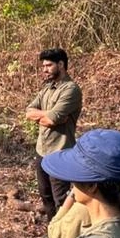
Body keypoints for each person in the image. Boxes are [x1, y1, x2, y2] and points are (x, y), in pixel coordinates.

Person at [25, 47, 83, 222]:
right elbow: (29, 112)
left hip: (60, 153)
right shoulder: (47, 88)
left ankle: (65, 235)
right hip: (42, 150)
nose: (45, 69)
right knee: (46, 196)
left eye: (49, 65)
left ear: (61, 64)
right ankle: (52, 232)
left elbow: (51, 120)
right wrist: (48, 116)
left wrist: (49, 117)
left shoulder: (71, 90)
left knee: (61, 200)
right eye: (43, 66)